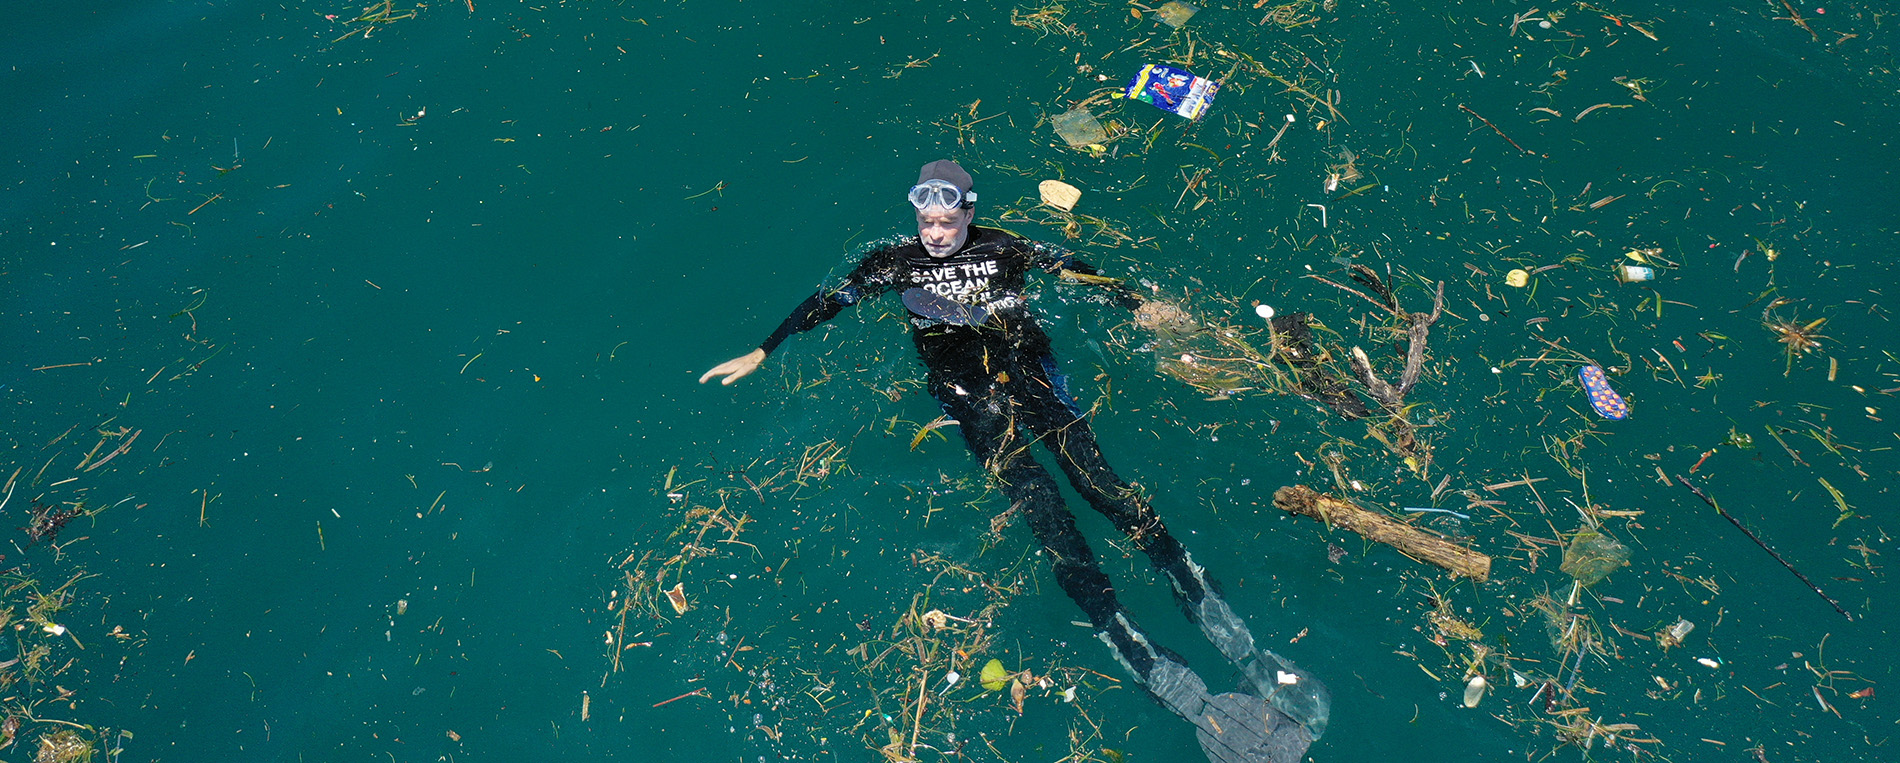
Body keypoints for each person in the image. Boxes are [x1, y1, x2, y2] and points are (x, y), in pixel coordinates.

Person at [701, 160, 1328, 763]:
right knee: (1049, 521)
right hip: (972, 401)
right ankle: (1145, 657)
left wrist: (1137, 304)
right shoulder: (894, 263)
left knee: (1108, 492)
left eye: (947, 222)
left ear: (968, 213)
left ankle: (1237, 642)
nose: (936, 234)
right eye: (927, 223)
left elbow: (1074, 270)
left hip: (1036, 381)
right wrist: (765, 348)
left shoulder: (1003, 249)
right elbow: (830, 298)